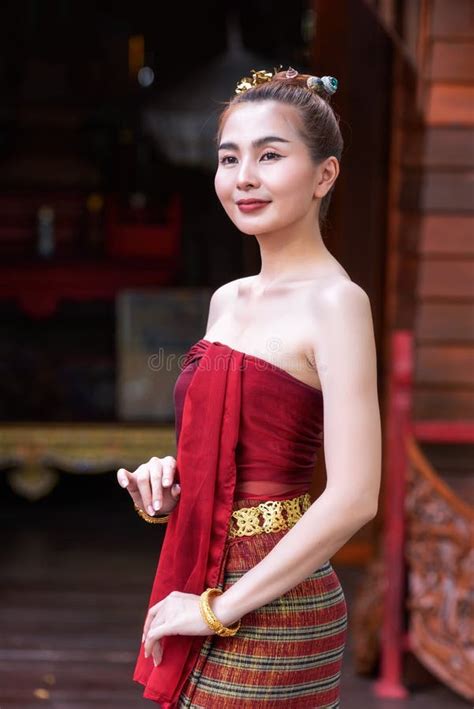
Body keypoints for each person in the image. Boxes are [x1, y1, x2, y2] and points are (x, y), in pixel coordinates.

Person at [117, 66, 382, 708]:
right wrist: (169, 479)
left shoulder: (337, 304)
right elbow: (233, 441)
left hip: (278, 603)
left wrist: (216, 610)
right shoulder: (227, 300)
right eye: (229, 157)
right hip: (201, 572)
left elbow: (354, 498)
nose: (245, 178)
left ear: (324, 175)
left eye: (270, 155)